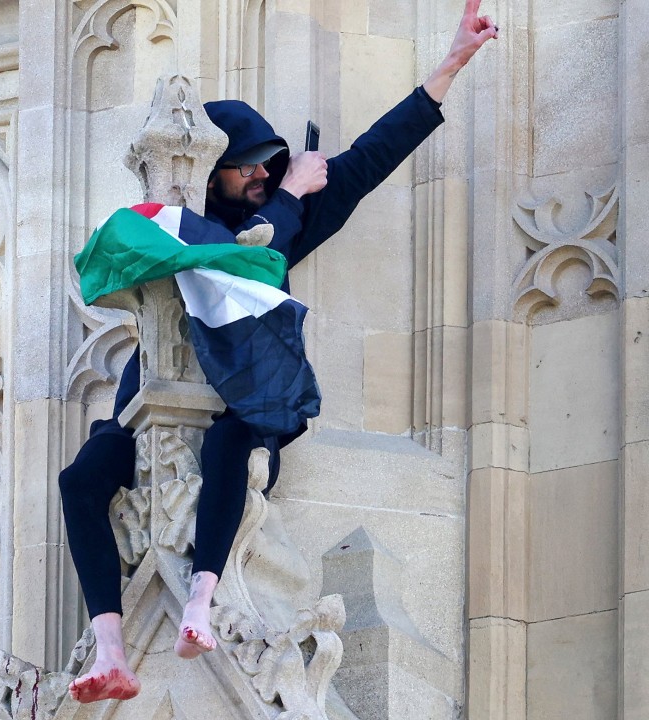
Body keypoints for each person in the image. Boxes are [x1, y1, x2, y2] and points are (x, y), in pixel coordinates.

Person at [60, 0, 499, 704]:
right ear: (212, 175)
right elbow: (231, 256)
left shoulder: (283, 219)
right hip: (154, 402)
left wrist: (449, 64)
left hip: (249, 401)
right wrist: (290, 194)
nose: (263, 173)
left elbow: (371, 159)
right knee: (83, 476)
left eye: (271, 161)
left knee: (236, 443)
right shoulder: (179, 227)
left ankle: (200, 602)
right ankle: (110, 645)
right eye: (247, 167)